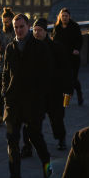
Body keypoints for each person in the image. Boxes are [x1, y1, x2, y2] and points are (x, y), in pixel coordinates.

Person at [0, 14, 53, 178]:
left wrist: (40, 98)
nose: (18, 30)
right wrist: (4, 91)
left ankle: (47, 164)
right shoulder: (10, 48)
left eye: (21, 27)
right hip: (13, 102)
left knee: (35, 137)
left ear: (28, 26)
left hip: (32, 102)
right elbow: (5, 73)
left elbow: (47, 75)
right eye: (16, 27)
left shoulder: (40, 47)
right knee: (12, 142)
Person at [34, 17, 72, 150]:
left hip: (55, 91)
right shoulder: (31, 48)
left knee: (56, 118)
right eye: (35, 30)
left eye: (40, 30)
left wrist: (67, 90)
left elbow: (66, 70)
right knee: (34, 120)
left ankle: (61, 139)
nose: (37, 33)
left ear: (46, 32)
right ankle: (31, 143)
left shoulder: (56, 47)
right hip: (38, 91)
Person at [52, 7, 84, 106]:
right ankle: (65, 101)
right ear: (60, 17)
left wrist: (77, 49)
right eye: (63, 16)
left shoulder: (75, 26)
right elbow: (54, 41)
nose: (64, 18)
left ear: (69, 17)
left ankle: (79, 95)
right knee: (64, 79)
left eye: (66, 16)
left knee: (73, 79)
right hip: (62, 57)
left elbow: (80, 40)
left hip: (73, 57)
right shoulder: (57, 27)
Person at [0, 8, 16, 124]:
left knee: (11, 92)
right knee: (0, 92)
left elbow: (17, 50)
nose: (5, 24)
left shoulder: (16, 32)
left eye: (8, 22)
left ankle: (11, 115)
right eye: (4, 22)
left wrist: (3, 49)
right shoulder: (0, 33)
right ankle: (0, 115)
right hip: (2, 66)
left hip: (14, 67)